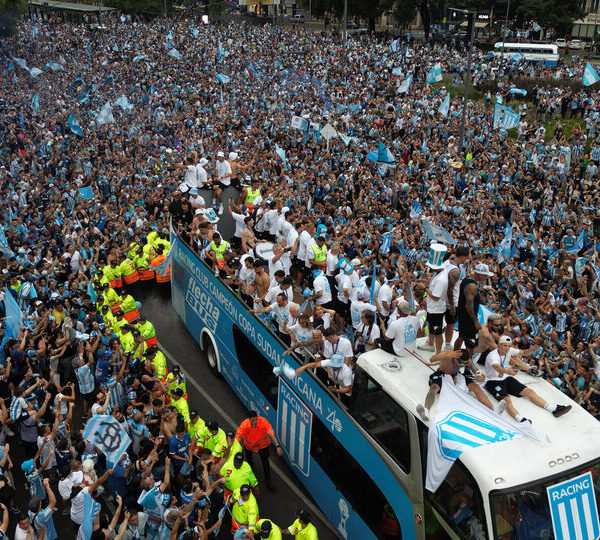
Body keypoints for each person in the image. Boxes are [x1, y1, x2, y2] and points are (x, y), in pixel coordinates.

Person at [484, 336, 572, 423]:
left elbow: (523, 352)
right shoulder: (493, 355)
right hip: (493, 382)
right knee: (506, 400)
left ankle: (553, 409)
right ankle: (521, 420)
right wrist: (506, 371)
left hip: (506, 377)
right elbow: (496, 367)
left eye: (509, 346)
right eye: (505, 345)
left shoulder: (509, 350)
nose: (507, 348)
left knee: (530, 391)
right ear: (499, 345)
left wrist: (532, 349)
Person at [235, 411, 282, 490]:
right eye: (253, 420)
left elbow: (271, 433)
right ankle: (251, 475)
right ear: (249, 419)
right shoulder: (244, 425)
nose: (255, 422)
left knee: (265, 463)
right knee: (249, 462)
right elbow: (238, 437)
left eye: (256, 419)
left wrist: (277, 445)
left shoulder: (263, 421)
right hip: (249, 447)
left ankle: (268, 481)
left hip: (262, 446)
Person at [455, 263, 494, 354]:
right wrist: (476, 321)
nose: (486, 277)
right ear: (480, 274)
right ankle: (467, 364)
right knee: (471, 345)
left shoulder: (467, 279)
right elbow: (468, 306)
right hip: (468, 318)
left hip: (462, 315)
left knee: (461, 337)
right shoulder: (473, 287)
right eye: (485, 275)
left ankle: (454, 355)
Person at [418, 244, 449, 355]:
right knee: (431, 327)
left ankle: (438, 353)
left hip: (437, 310)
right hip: (432, 308)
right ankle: (430, 344)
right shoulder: (439, 272)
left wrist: (425, 288)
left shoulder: (441, 279)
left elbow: (435, 296)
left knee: (437, 332)